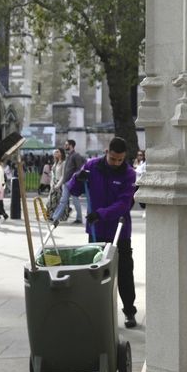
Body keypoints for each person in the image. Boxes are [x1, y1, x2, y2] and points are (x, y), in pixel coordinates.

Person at [71, 137, 138, 327]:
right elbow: (74, 190)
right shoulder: (92, 166)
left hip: (119, 230)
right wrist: (77, 178)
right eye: (113, 159)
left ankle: (129, 311)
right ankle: (98, 311)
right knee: (96, 273)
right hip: (96, 230)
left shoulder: (129, 174)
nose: (116, 163)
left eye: (120, 159)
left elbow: (124, 204)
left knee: (124, 272)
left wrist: (101, 214)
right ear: (106, 152)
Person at [51, 140, 86, 224]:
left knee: (75, 201)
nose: (65, 146)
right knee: (63, 201)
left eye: (66, 145)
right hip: (66, 182)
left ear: (71, 145)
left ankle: (79, 218)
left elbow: (80, 168)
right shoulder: (68, 156)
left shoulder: (76, 155)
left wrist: (74, 178)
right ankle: (55, 217)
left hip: (72, 183)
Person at [46, 147, 68, 222]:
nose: (56, 153)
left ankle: (59, 216)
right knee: (50, 201)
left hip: (60, 184)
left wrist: (58, 185)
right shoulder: (55, 163)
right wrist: (51, 183)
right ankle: (51, 215)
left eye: (57, 152)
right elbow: (52, 174)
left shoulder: (64, 163)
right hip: (53, 184)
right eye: (55, 152)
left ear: (61, 153)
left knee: (59, 201)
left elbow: (63, 175)